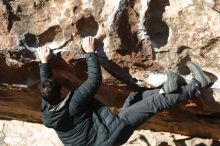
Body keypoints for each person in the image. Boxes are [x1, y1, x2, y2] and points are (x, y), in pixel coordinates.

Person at [37, 36, 212, 146]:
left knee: (135, 97)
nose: (66, 87)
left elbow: (47, 87)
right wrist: (90, 52)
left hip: (102, 135)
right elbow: (94, 80)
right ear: (61, 93)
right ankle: (196, 85)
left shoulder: (48, 112)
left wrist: (43, 62)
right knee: (153, 104)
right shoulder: (74, 103)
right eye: (63, 87)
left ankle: (170, 87)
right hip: (110, 135)